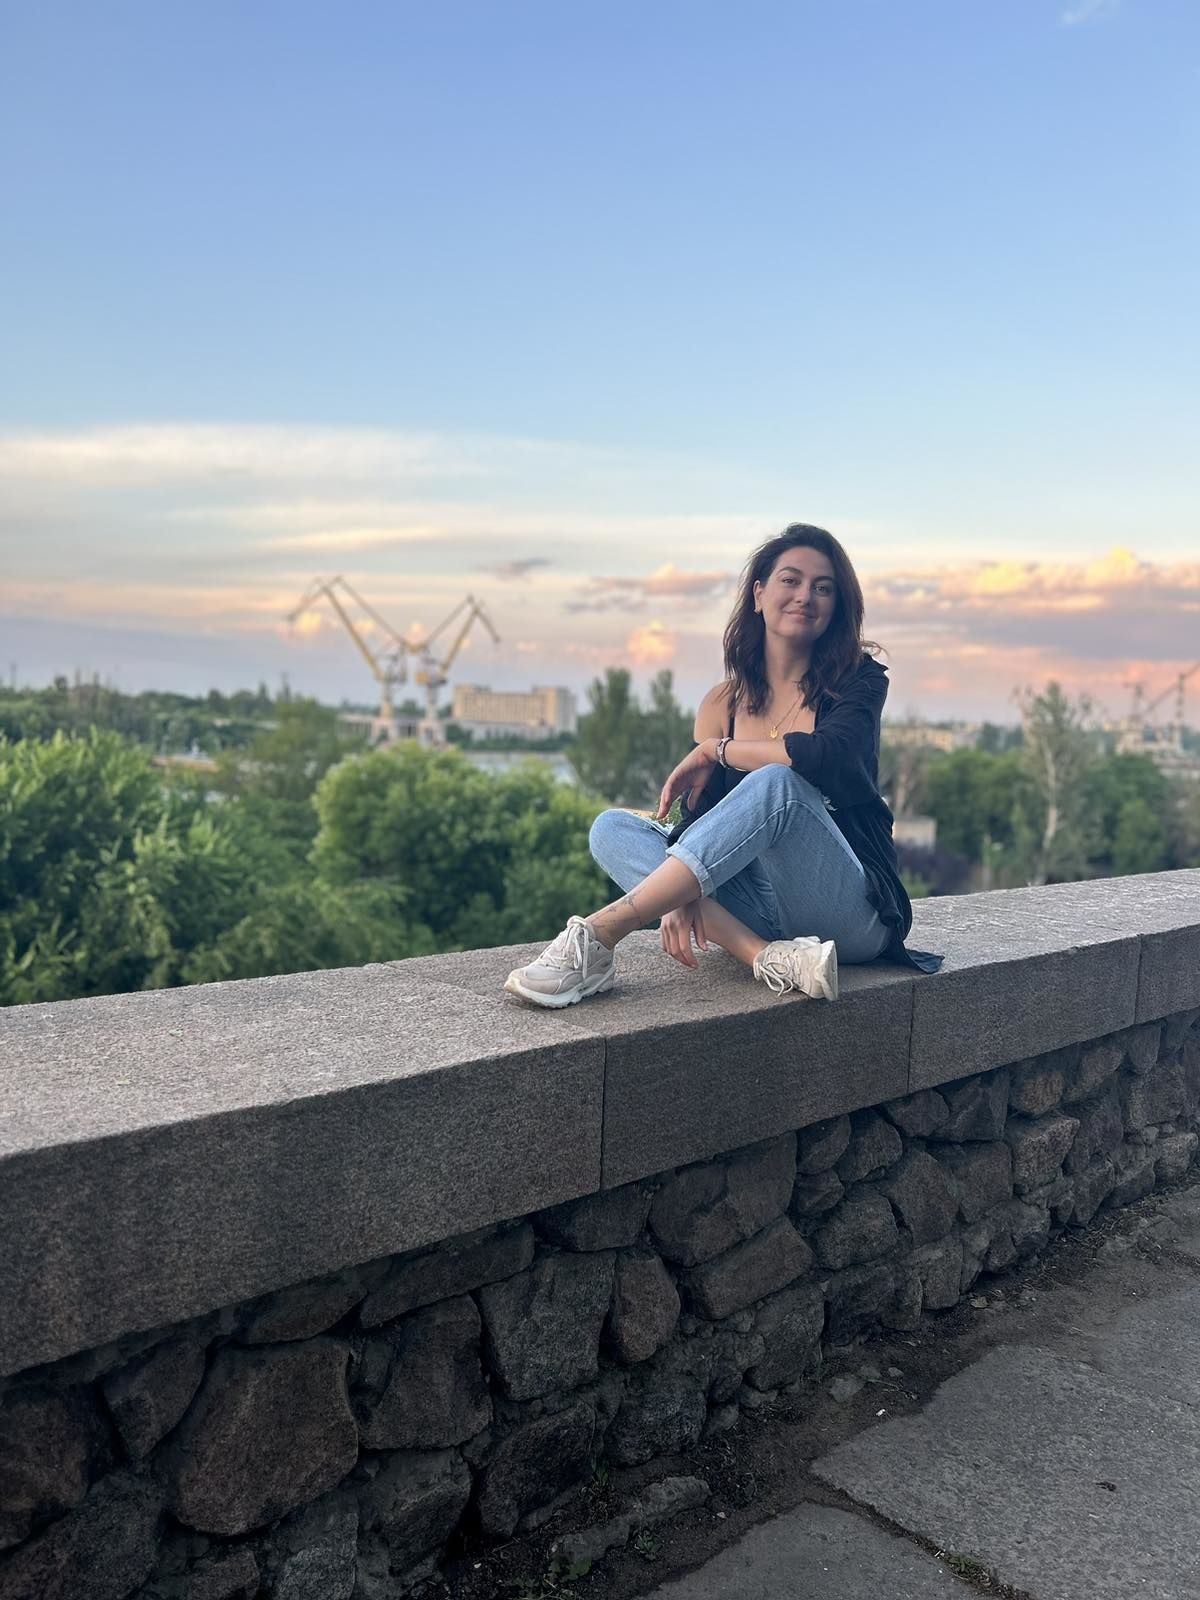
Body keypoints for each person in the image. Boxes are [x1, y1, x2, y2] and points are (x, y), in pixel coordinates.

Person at [504, 524, 944, 1009]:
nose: (805, 596)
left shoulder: (859, 680)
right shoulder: (723, 703)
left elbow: (828, 755)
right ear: (759, 595)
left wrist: (718, 750)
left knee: (778, 782)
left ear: (837, 607)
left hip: (852, 914)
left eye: (823, 588)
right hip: (758, 913)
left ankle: (600, 934)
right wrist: (675, 894)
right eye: (791, 580)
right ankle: (764, 957)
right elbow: (703, 823)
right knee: (611, 828)